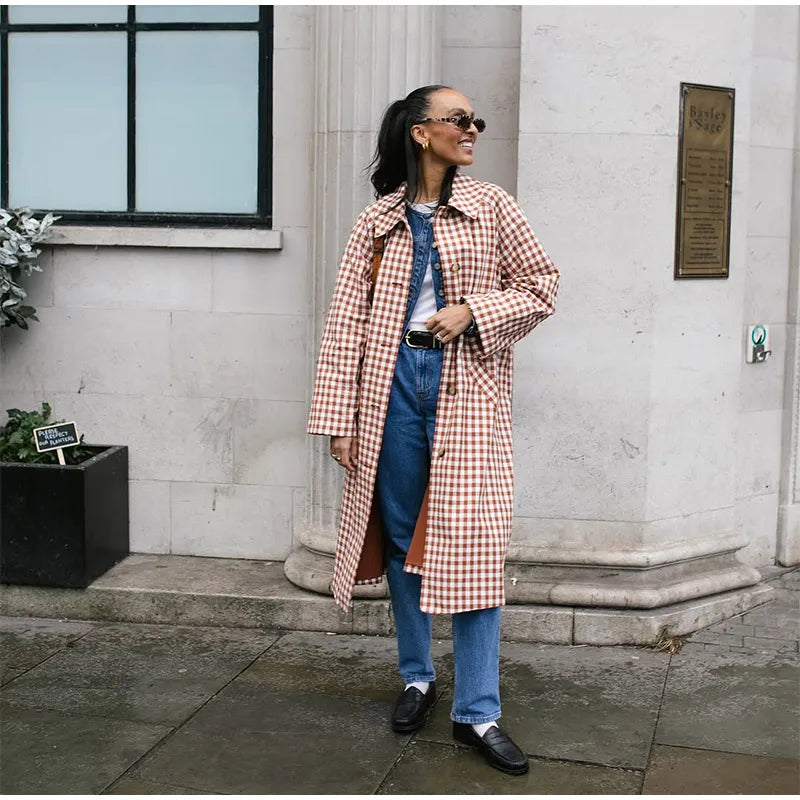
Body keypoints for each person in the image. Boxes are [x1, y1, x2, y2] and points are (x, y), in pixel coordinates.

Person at [307, 84, 560, 775]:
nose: (472, 128)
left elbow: (542, 287)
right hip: (389, 392)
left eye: (475, 120)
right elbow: (345, 326)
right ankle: (417, 676)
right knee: (399, 541)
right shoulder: (377, 221)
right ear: (421, 133)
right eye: (459, 119)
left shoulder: (493, 207)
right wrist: (339, 419)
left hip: (466, 392)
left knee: (474, 548)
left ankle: (478, 713)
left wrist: (473, 312)